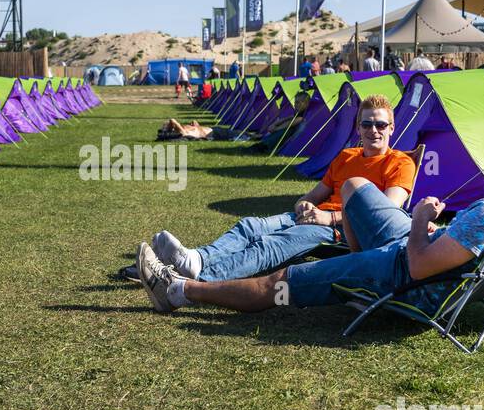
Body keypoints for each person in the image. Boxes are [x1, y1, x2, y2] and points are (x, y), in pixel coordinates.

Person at [138, 122, 484, 316]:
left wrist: (419, 223)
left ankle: (179, 290)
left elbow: (417, 265)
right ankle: (353, 261)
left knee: (281, 280)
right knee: (354, 185)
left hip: (403, 275)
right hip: (424, 259)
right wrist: (432, 231)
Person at [145, 95, 417, 284]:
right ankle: (195, 260)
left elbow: (384, 215)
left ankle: (196, 277)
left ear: (392, 128)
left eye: (380, 124)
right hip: (314, 217)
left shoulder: (400, 163)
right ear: (358, 127)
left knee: (272, 244)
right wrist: (304, 204)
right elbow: (314, 195)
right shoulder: (347, 156)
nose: (374, 130)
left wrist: (330, 218)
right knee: (250, 226)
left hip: (344, 232)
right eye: (367, 124)